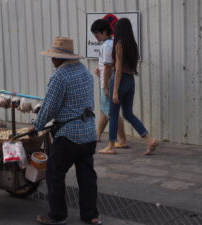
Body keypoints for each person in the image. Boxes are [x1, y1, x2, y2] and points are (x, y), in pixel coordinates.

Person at [34, 37, 102, 225]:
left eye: (53, 57)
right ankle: (91, 216)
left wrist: (37, 125)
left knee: (54, 173)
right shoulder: (85, 72)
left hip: (68, 135)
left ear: (60, 58)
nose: (51, 60)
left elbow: (49, 108)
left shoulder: (59, 76)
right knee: (87, 176)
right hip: (88, 133)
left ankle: (57, 215)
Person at [100, 18, 159, 155]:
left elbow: (119, 69)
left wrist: (114, 90)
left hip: (120, 81)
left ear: (119, 30)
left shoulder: (119, 44)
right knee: (128, 113)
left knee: (113, 114)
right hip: (130, 80)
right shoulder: (133, 44)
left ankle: (111, 146)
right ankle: (149, 140)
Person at [91, 19, 128, 152]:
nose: (95, 35)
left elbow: (107, 67)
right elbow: (107, 66)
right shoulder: (110, 44)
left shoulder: (107, 45)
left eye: (97, 33)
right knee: (107, 111)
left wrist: (105, 85)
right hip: (106, 81)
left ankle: (122, 139)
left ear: (105, 31)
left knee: (112, 112)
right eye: (94, 33)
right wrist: (100, 72)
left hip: (106, 84)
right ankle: (97, 135)